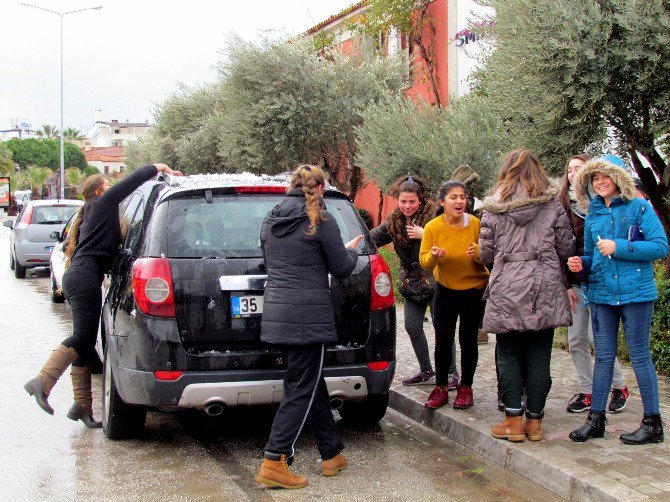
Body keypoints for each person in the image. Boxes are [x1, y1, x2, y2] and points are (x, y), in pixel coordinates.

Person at [24, 163, 183, 427]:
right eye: (107, 186)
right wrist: (159, 167)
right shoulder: (103, 204)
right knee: (82, 337)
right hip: (84, 277)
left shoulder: (92, 212)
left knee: (84, 343)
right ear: (100, 191)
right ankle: (43, 381)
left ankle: (82, 406)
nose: (111, 189)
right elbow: (131, 182)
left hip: (80, 275)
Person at [256, 164, 363, 489]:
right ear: (319, 188)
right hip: (308, 317)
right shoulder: (321, 219)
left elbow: (269, 260)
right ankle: (274, 460)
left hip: (279, 313)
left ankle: (332, 454)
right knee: (301, 387)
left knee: (309, 382)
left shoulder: (271, 219)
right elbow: (342, 269)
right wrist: (352, 251)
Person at [568, 156, 668, 444]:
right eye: (594, 178)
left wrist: (619, 246)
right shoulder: (594, 215)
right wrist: (581, 265)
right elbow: (591, 254)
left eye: (605, 177)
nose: (599, 182)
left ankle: (652, 423)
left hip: (636, 293)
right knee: (603, 356)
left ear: (618, 179)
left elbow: (660, 246)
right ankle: (595, 419)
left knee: (639, 355)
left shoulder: (638, 207)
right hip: (601, 294)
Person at [479, 149, 574, 442]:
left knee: (508, 354)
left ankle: (513, 421)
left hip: (507, 284)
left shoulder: (493, 208)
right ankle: (535, 422)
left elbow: (487, 253)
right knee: (539, 355)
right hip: (543, 285)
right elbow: (567, 246)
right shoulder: (553, 204)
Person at [559, 154, 630, 414]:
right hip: (575, 285)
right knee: (576, 339)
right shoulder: (563, 207)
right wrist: (565, 283)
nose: (573, 173)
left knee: (598, 339)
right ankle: (587, 390)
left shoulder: (604, 207)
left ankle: (618, 387)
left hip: (599, 284)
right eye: (569, 170)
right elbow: (560, 250)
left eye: (579, 168)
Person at [419, 181, 489, 410]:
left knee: (468, 341)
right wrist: (434, 256)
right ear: (442, 202)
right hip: (446, 290)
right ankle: (441, 387)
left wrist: (478, 255)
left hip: (473, 291)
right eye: (453, 197)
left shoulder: (476, 225)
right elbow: (425, 262)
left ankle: (465, 388)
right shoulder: (432, 227)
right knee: (443, 339)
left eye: (463, 197)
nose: (460, 201)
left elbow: (489, 258)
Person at [369, 176, 443, 386]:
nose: (407, 206)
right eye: (403, 201)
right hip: (410, 282)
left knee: (441, 328)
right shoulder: (394, 222)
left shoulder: (435, 218)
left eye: (412, 201)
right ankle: (427, 371)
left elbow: (449, 240)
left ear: (420, 200)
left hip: (435, 280)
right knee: (412, 326)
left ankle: (450, 373)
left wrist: (425, 234)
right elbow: (372, 238)